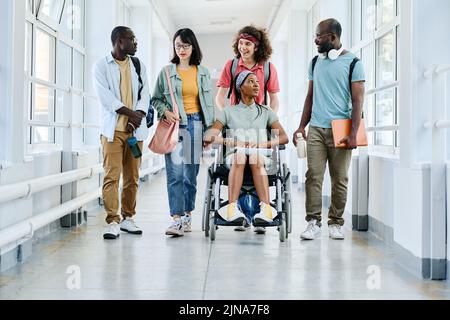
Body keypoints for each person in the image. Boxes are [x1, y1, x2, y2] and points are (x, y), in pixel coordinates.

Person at [293, 19, 365, 241]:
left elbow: (357, 100)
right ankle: (313, 222)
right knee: (313, 175)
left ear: (332, 37)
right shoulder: (315, 62)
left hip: (341, 129)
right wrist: (301, 126)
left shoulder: (353, 63)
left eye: (319, 36)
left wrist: (354, 133)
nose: (315, 40)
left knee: (339, 178)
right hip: (316, 127)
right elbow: (310, 96)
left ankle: (335, 222)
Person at [215, 25, 281, 233]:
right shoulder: (232, 65)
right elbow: (220, 97)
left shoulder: (268, 68)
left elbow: (274, 99)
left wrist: (267, 118)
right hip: (237, 125)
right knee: (240, 157)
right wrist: (232, 116)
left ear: (257, 46)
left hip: (259, 122)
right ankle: (240, 212)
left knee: (254, 158)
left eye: (248, 44)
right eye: (241, 43)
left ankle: (262, 213)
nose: (243, 48)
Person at [152, 28, 215, 237]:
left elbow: (208, 104)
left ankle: (188, 215)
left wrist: (209, 131)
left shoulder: (203, 72)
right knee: (175, 174)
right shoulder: (167, 72)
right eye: (178, 45)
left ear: (193, 47)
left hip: (196, 125)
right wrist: (165, 111)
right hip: (176, 127)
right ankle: (176, 219)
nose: (182, 49)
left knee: (191, 174)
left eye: (186, 45)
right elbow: (156, 99)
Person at [205, 71, 289, 225]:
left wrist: (263, 144)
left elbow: (284, 137)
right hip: (236, 156)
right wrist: (232, 142)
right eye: (251, 82)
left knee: (255, 158)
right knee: (240, 156)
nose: (256, 85)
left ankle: (266, 210)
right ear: (240, 88)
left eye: (257, 82)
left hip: (260, 156)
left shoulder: (266, 111)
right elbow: (209, 136)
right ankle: (232, 209)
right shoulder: (229, 112)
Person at [93, 26, 150, 240]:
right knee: (111, 177)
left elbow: (146, 94)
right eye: (132, 39)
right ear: (119, 41)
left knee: (132, 178)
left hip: (135, 131)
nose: (136, 43)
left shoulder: (137, 64)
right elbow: (106, 99)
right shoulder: (101, 66)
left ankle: (128, 218)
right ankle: (112, 221)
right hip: (112, 131)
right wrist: (130, 114)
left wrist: (138, 117)